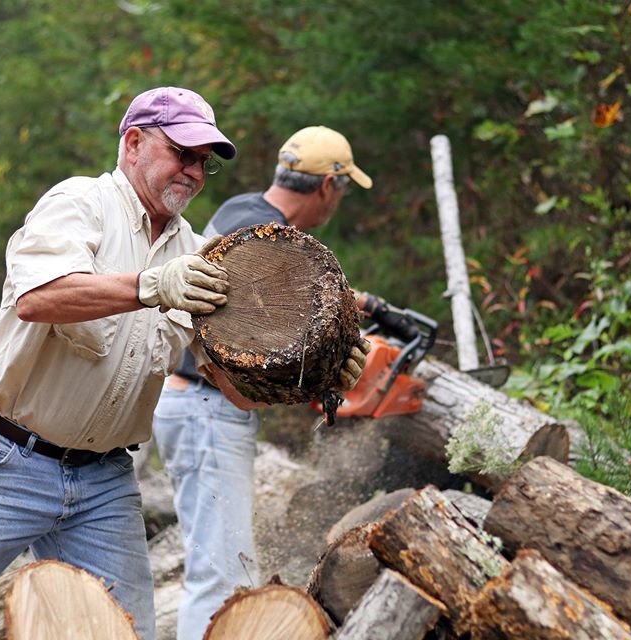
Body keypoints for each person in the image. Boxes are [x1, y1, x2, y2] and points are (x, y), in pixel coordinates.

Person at [0, 90, 369, 640]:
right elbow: (39, 298)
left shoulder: (201, 253)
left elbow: (233, 387)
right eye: (182, 152)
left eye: (203, 161)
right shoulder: (79, 205)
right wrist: (150, 284)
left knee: (128, 630)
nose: (193, 170)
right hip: (3, 462)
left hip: (103, 480)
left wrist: (316, 377)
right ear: (133, 142)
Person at [151, 125, 373, 640]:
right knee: (221, 574)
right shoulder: (258, 232)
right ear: (327, 186)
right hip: (205, 405)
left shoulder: (248, 217)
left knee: (226, 567)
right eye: (340, 192)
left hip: (209, 405)